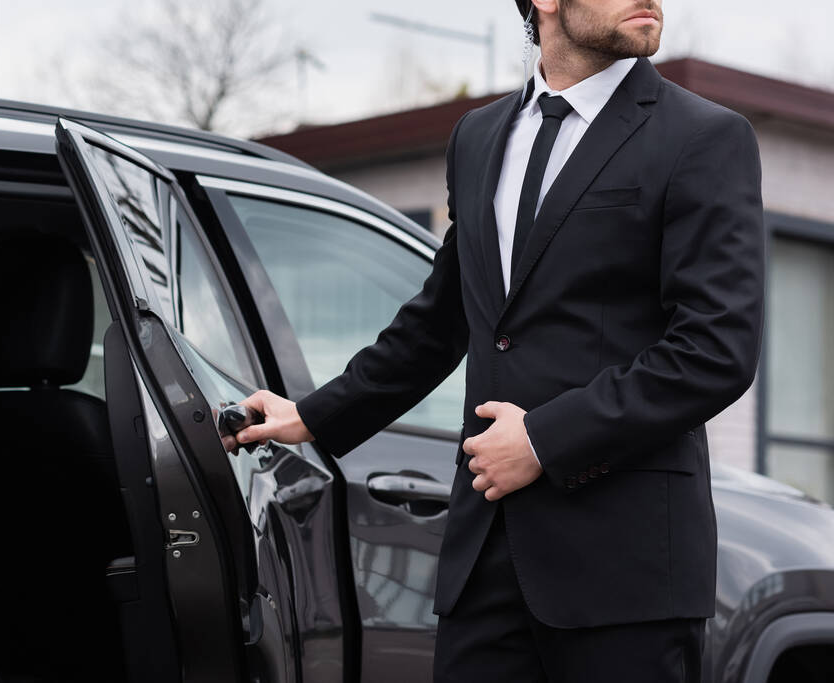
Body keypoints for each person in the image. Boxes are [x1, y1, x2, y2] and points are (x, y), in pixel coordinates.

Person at [235, 0, 765, 680]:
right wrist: (313, 414)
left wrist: (545, 438)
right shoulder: (478, 137)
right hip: (484, 563)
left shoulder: (705, 137)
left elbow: (716, 348)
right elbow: (441, 318)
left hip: (628, 575)